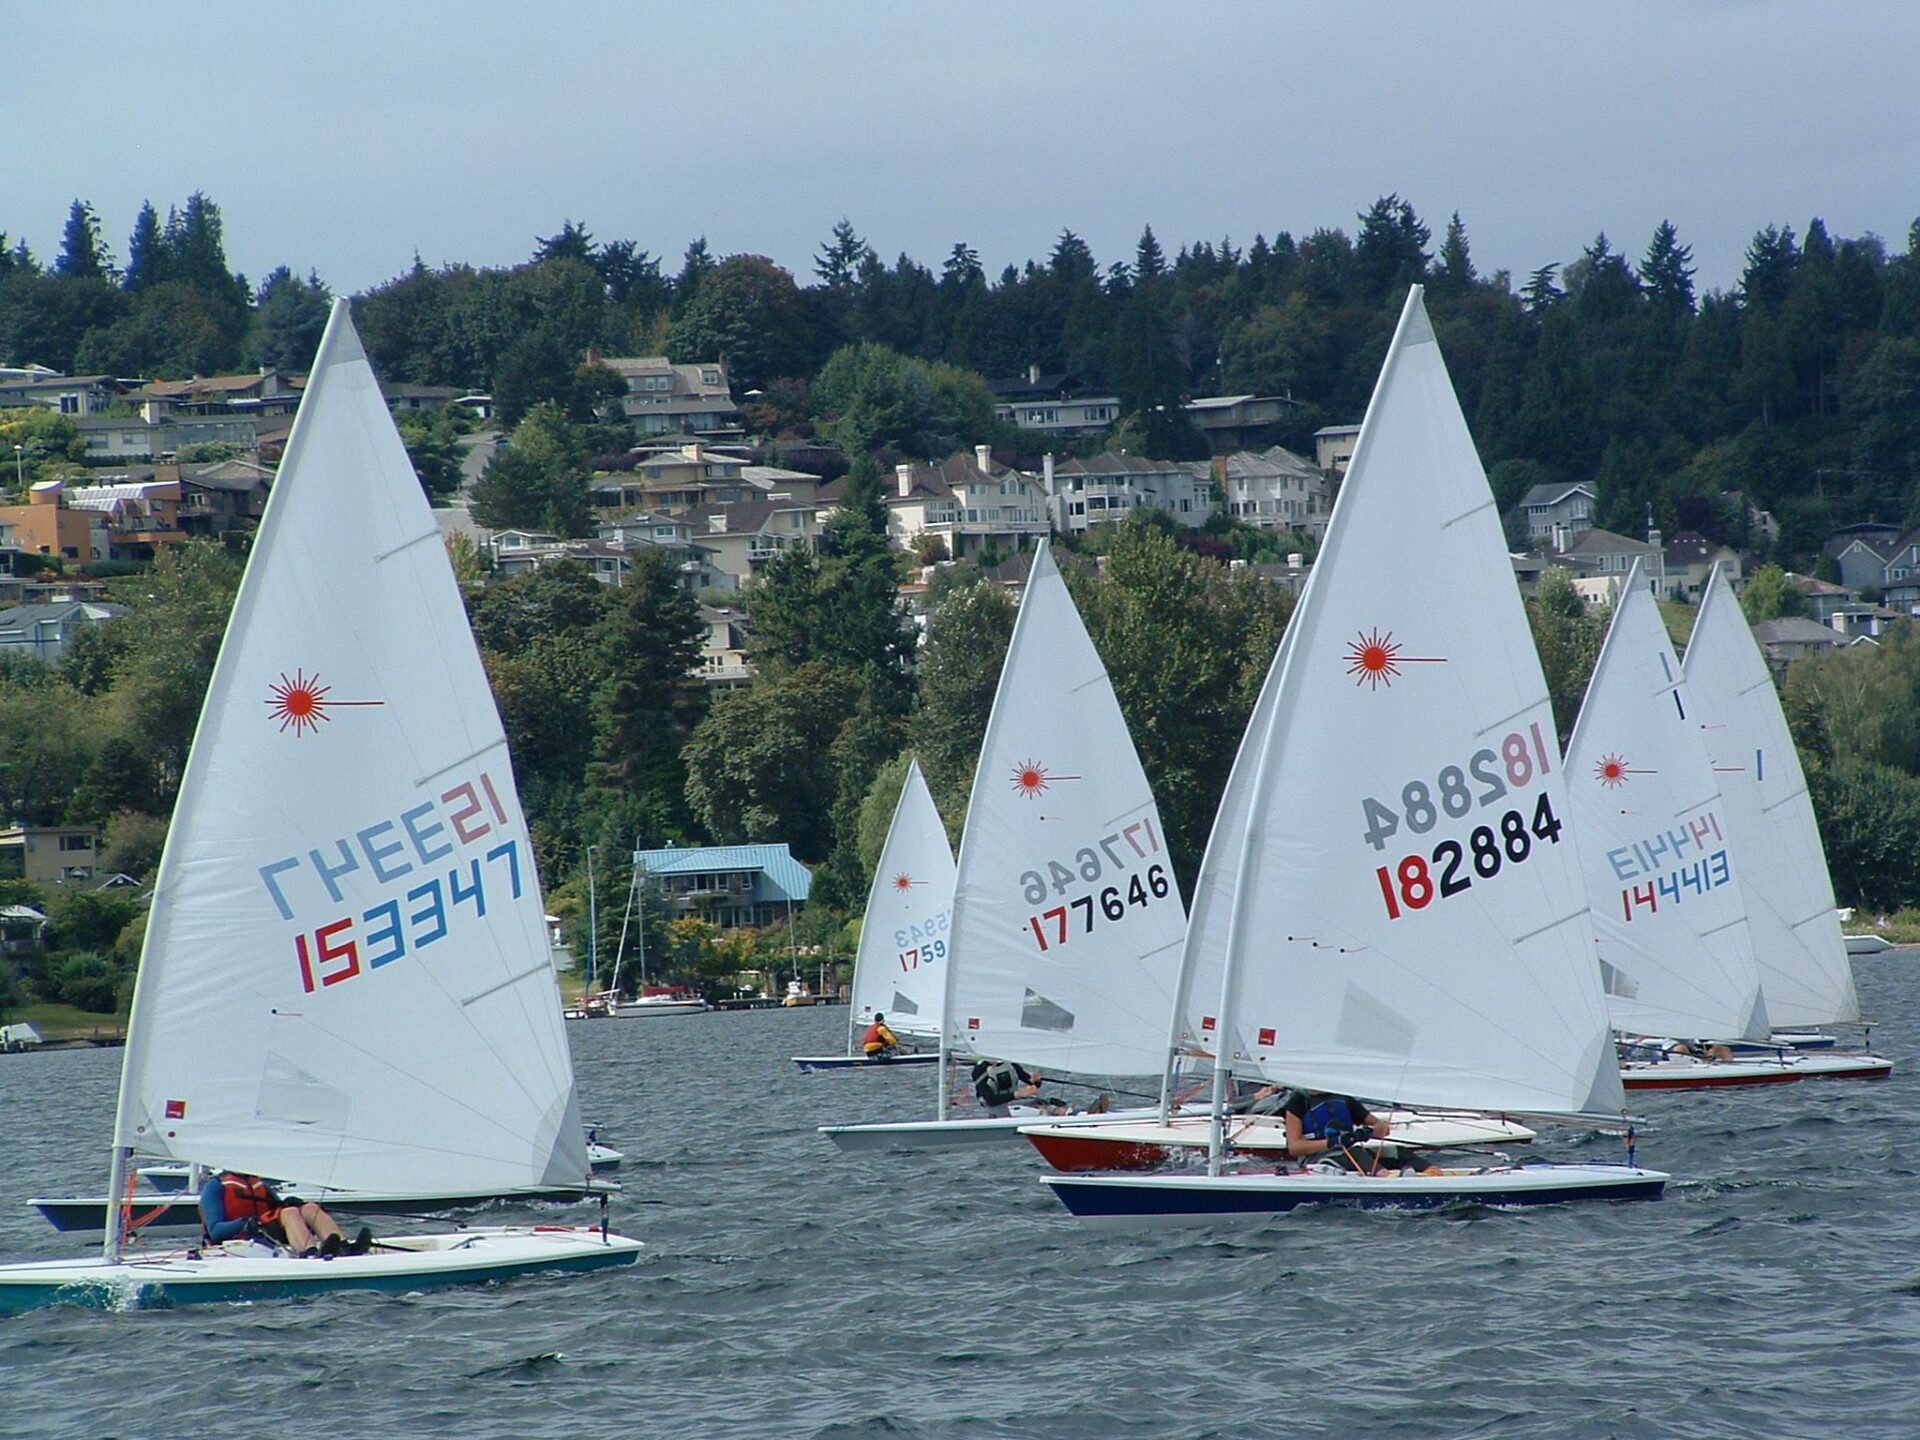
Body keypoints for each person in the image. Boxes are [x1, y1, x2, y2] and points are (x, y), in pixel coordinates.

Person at [199, 1170, 372, 1258]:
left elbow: (278, 1206)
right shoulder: (215, 1186)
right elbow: (215, 1231)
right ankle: (308, 1252)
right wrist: (244, 1223)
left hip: (265, 1232)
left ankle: (344, 1247)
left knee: (310, 1208)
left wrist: (291, 1202)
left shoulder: (258, 1182)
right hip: (240, 1238)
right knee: (289, 1213)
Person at [1281, 1089, 1435, 1175]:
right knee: (1357, 1153)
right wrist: (1332, 1142)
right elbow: (1294, 1147)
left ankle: (1433, 1173)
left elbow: (1384, 1129)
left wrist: (1367, 1132)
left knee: (1396, 1152)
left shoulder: (1342, 1097)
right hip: (1318, 1161)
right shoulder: (1298, 1101)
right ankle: (1387, 1179)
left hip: (1350, 1154)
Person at [971, 1057, 1067, 1115]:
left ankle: (1064, 1112)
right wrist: (1016, 1094)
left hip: (1013, 1103)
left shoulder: (1010, 1065)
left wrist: (1036, 1081)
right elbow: (990, 1100)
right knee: (1036, 1107)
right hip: (994, 1106)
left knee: (1047, 1102)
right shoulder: (980, 1071)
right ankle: (1052, 1114)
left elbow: (1032, 1084)